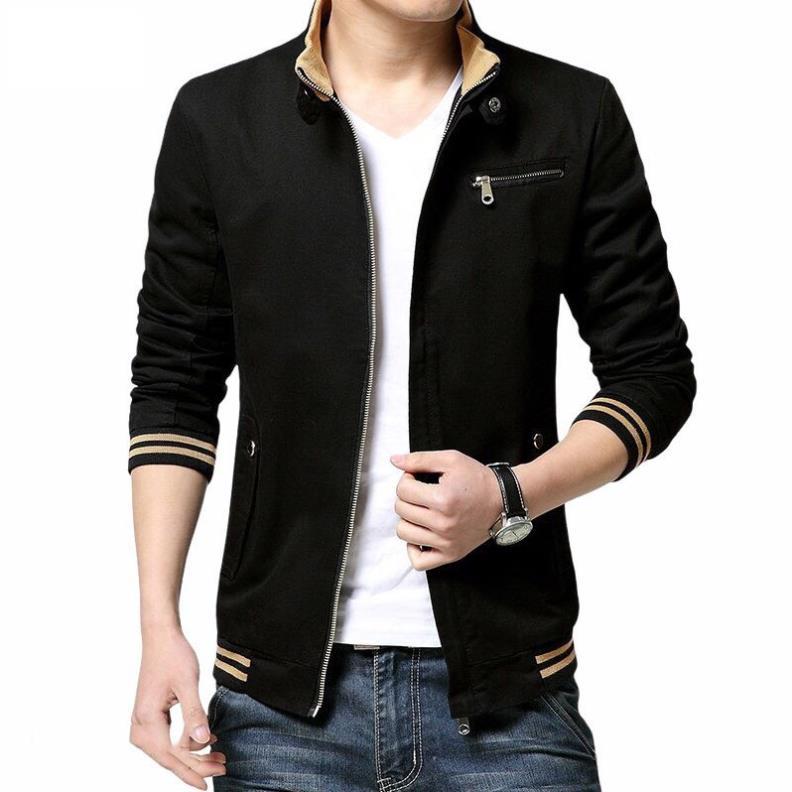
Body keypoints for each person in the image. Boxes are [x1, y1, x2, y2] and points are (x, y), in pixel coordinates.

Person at [127, 0, 695, 789]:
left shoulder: (570, 112)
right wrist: (159, 625)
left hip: (512, 699)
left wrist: (508, 496)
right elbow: (175, 388)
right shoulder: (221, 119)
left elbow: (653, 372)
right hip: (282, 712)